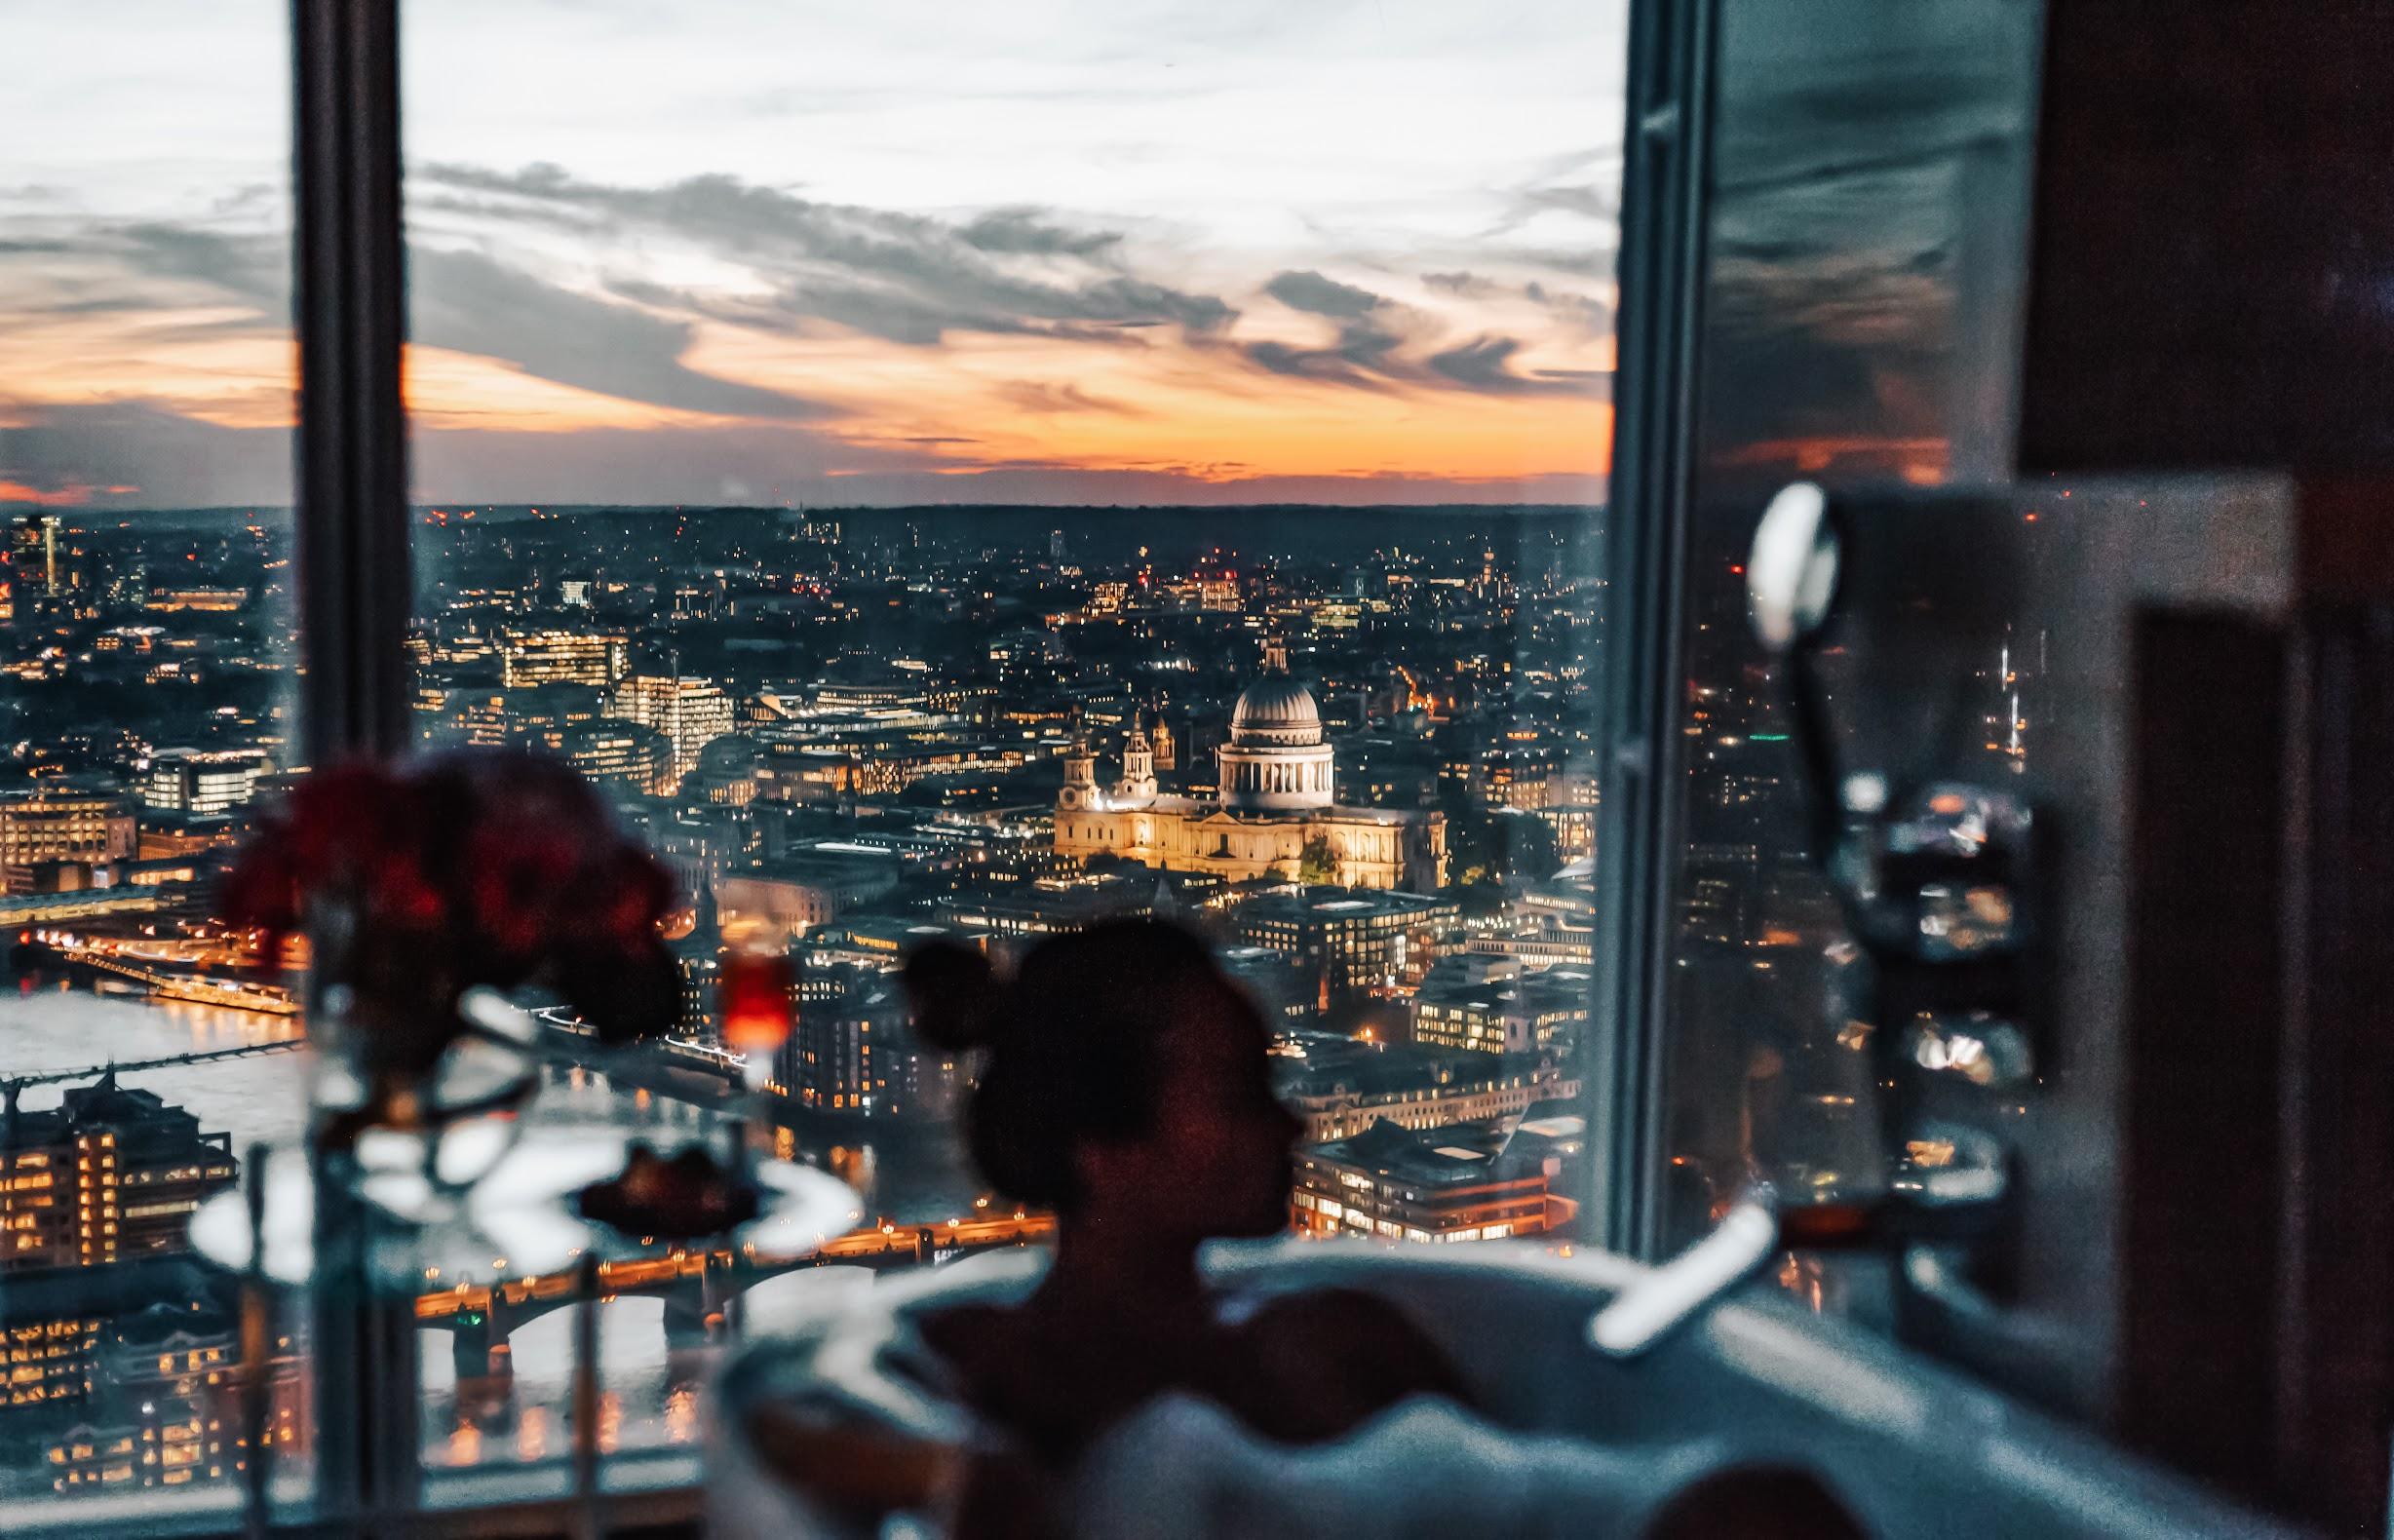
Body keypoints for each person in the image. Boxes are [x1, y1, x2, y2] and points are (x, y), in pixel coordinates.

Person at [902, 920, 1470, 1523]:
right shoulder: (1336, 1353)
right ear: (1102, 1149)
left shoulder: (959, 1375)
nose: (1291, 1125)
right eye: (1242, 1093)